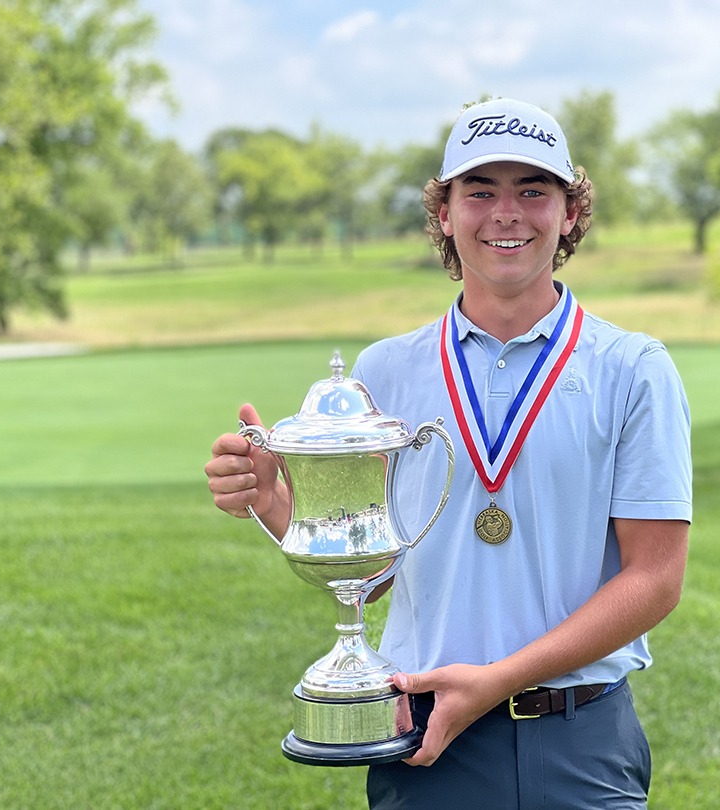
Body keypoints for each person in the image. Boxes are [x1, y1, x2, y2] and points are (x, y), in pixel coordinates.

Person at [206, 97, 692, 809]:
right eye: (480, 190)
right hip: (426, 739)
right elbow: (372, 572)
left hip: (580, 737)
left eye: (533, 190)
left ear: (570, 214)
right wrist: (277, 502)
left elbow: (655, 579)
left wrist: (498, 680)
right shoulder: (388, 369)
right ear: (444, 213)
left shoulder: (633, 367)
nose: (507, 212)